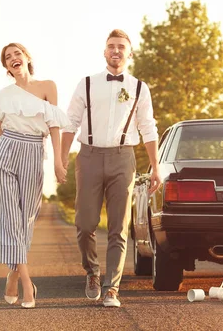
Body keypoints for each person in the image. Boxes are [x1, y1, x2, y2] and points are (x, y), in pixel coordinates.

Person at [0, 43, 68, 309]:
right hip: (5, 153)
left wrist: (59, 161)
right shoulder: (4, 95)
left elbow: (53, 126)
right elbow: (0, 133)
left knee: (26, 218)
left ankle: (13, 274)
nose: (13, 58)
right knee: (10, 217)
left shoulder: (48, 87)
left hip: (32, 152)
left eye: (17, 53)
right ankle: (27, 282)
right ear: (7, 68)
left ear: (27, 58)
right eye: (8, 57)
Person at [61, 29, 161, 308]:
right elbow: (70, 122)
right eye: (110, 47)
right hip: (89, 156)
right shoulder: (87, 84)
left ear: (129, 54)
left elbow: (148, 128)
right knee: (84, 225)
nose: (115, 51)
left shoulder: (139, 87)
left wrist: (155, 168)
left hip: (123, 158)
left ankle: (111, 289)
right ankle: (92, 272)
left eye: (121, 47)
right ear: (104, 52)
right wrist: (61, 159)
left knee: (119, 227)